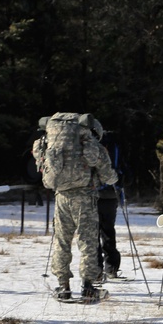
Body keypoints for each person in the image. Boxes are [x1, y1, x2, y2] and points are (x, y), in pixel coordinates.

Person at [34, 112, 116, 301]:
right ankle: (88, 286)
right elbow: (107, 175)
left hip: (61, 196)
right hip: (85, 197)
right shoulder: (93, 145)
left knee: (62, 241)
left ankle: (63, 287)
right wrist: (116, 179)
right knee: (87, 242)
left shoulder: (51, 141)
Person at [96, 126, 122, 280]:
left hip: (94, 195)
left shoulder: (92, 148)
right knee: (108, 231)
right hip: (112, 195)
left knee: (92, 233)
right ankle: (111, 268)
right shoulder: (115, 147)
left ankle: (96, 270)